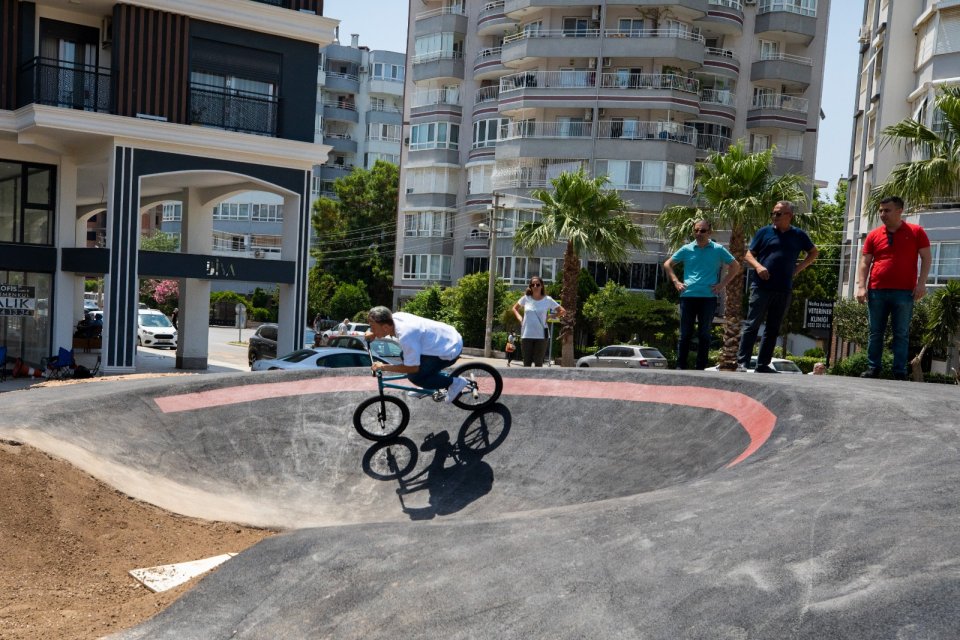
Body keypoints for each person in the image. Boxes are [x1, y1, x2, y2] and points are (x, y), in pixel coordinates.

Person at [855, 196, 932, 380]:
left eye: (887, 210)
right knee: (875, 332)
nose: (882, 214)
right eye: (881, 211)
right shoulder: (874, 235)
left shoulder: (916, 231)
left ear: (900, 211)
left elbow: (927, 258)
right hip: (877, 291)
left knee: (901, 333)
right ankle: (873, 368)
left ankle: (899, 372)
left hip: (904, 292)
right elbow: (865, 262)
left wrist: (921, 283)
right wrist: (861, 287)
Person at [737, 201, 819, 373]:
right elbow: (748, 254)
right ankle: (742, 362)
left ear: (790, 216)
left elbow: (813, 252)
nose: (775, 216)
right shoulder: (764, 232)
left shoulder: (798, 235)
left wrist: (798, 269)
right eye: (773, 213)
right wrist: (758, 267)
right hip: (761, 287)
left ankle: (763, 364)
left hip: (783, 288)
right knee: (752, 324)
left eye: (779, 213)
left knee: (773, 328)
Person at [663, 219, 741, 370]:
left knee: (704, 334)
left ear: (709, 232)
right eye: (696, 230)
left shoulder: (718, 249)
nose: (699, 233)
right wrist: (676, 282)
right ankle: (681, 366)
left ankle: (701, 368)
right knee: (685, 333)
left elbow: (735, 266)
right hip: (688, 296)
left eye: (703, 231)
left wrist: (722, 285)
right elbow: (668, 264)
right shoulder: (687, 249)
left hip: (708, 297)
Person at [365, 306, 469, 403]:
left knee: (415, 377)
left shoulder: (406, 335)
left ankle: (455, 383)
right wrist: (374, 333)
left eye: (373, 327)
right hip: (446, 337)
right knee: (404, 355)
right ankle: (429, 383)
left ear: (386, 327)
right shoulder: (394, 317)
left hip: (450, 349)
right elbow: (383, 326)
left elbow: (412, 368)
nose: (371, 329)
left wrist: (383, 367)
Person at [511, 276, 565, 367]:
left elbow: (563, 311)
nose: (535, 286)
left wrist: (551, 316)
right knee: (526, 363)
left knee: (538, 363)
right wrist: (520, 318)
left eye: (538, 284)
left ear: (542, 286)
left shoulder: (548, 299)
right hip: (526, 335)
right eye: (533, 284)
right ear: (530, 286)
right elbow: (514, 308)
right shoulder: (526, 298)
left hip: (542, 336)